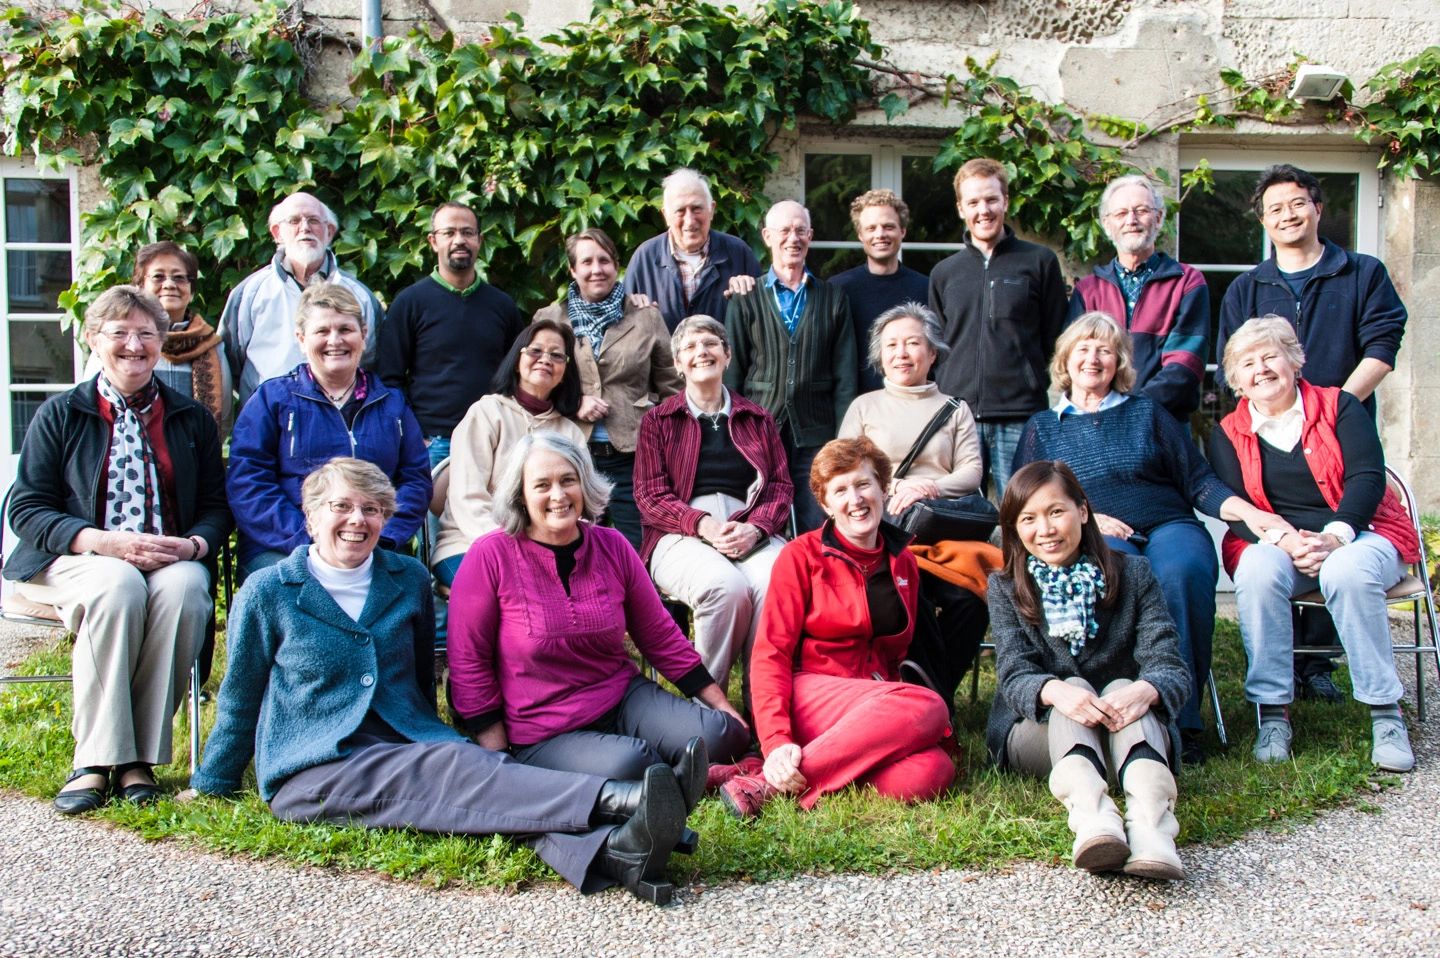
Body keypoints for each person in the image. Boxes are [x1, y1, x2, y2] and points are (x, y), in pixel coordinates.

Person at [190, 458, 696, 904]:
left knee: (472, 791)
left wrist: (433, 736)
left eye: (371, 509)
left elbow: (415, 677)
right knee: (456, 773)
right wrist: (212, 781)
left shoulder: (405, 578)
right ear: (311, 516)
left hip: (404, 744)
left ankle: (615, 852)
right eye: (341, 506)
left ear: (385, 519)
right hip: (315, 766)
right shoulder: (269, 591)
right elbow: (240, 698)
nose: (356, 520)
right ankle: (618, 800)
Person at [1012, 311, 1288, 763]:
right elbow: (1025, 501)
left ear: (1119, 360)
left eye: (1105, 349)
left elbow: (1197, 480)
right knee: (1112, 571)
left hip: (1167, 523)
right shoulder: (1044, 427)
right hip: (1092, 535)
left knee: (1183, 570)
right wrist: (1088, 520)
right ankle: (1118, 710)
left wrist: (1250, 514)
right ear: (1065, 359)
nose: (1093, 358)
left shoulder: (1148, 413)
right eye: (1083, 348)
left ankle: (1181, 719)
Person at [5, 286, 230, 814]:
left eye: (147, 333)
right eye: (120, 333)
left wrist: (193, 544)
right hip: (77, 558)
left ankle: (138, 761)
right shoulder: (60, 415)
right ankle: (96, 758)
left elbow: (217, 509)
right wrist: (102, 542)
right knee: (117, 582)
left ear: (162, 341)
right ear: (93, 338)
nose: (134, 345)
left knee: (186, 591)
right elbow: (27, 510)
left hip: (166, 560)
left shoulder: (191, 419)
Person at [447, 433, 749, 802]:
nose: (558, 495)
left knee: (724, 736)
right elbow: (468, 662)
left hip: (621, 697)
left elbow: (660, 636)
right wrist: (500, 759)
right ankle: (668, 774)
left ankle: (674, 773)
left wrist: (722, 708)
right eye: (542, 485)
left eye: (568, 480)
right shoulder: (489, 556)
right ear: (520, 495)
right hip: (545, 726)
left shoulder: (612, 545)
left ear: (584, 485)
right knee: (634, 764)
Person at [1217, 164, 1411, 701]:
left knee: (1336, 526)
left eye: (1297, 203)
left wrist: (1333, 408)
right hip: (1271, 432)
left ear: (1318, 208)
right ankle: (1283, 668)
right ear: (1263, 220)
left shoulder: (1360, 273)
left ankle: (1318, 663)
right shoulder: (1248, 287)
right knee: (1283, 531)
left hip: (1343, 430)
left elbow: (1382, 344)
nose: (1288, 215)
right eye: (1275, 208)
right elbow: (1234, 364)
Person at [1208, 316, 1418, 773]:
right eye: (1247, 363)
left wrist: (1334, 536)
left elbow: (1367, 479)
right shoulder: (1226, 431)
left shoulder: (1340, 406)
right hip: (1277, 543)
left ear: (1295, 361)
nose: (1261, 369)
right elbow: (1236, 507)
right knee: (1258, 571)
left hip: (1360, 533)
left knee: (1345, 570)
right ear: (1236, 379)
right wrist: (1285, 540)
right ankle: (1272, 713)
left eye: (1270, 356)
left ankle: (1385, 713)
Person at [721, 437, 956, 817]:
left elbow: (894, 655)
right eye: (841, 490)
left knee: (933, 770)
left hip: (871, 702)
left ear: (883, 488)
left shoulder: (903, 562)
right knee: (928, 705)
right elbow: (769, 655)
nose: (856, 499)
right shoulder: (800, 556)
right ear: (827, 505)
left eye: (864, 484)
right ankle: (768, 780)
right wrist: (777, 738)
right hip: (810, 694)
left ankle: (770, 779)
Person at [986, 460, 1190, 879]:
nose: (1045, 529)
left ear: (1082, 510)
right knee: (1071, 685)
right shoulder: (1005, 586)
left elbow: (1167, 662)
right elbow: (1013, 672)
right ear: (1014, 529)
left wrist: (1144, 690)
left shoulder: (1134, 574)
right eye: (1028, 519)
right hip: (1039, 729)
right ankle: (1093, 821)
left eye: (1055, 511)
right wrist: (1057, 692)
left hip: (1125, 727)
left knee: (1122, 684)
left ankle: (1152, 830)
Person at [837, 302, 989, 708]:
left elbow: (972, 472)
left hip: (943, 533)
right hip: (884, 534)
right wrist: (891, 485)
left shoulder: (956, 409)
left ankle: (929, 698)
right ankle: (929, 704)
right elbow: (844, 470)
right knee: (910, 594)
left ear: (932, 353)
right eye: (891, 345)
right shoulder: (864, 407)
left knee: (969, 602)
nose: (901, 353)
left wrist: (928, 487)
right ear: (880, 356)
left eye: (912, 343)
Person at [634, 315, 793, 697]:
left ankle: (764, 705)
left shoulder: (758, 418)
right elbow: (649, 494)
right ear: (677, 363)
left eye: (709, 344)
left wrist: (756, 528)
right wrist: (702, 524)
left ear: (727, 354)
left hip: (749, 527)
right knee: (725, 587)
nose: (700, 352)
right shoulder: (659, 420)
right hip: (679, 534)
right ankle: (711, 708)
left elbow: (780, 486)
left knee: (777, 580)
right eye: (689, 347)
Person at [226, 284, 430, 582]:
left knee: (405, 587)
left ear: (363, 334)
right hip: (286, 546)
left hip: (374, 542)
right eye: (322, 331)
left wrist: (380, 535)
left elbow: (415, 480)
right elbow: (248, 481)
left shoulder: (392, 404)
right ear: (301, 339)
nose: (335, 341)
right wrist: (313, 539)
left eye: (345, 329)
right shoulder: (273, 399)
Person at [532, 228, 683, 551]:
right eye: (586, 262)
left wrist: (665, 442)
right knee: (572, 545)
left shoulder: (646, 317)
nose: (596, 269)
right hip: (571, 454)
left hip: (633, 453)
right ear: (573, 270)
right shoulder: (549, 319)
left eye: (604, 260)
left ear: (617, 266)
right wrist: (572, 402)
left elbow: (672, 386)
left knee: (640, 548)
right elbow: (533, 385)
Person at [928, 158, 1066, 498]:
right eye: (973, 202)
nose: (983, 210)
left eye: (991, 199)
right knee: (958, 513)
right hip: (957, 416)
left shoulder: (1039, 262)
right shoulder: (945, 273)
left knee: (1023, 509)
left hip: (1020, 414)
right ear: (961, 208)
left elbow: (1056, 339)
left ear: (1005, 200)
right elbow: (936, 348)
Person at [724, 200, 857, 533]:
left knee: (818, 523)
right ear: (768, 236)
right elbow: (733, 371)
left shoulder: (833, 298)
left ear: (810, 236)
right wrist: (731, 433)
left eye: (800, 230)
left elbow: (845, 377)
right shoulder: (746, 296)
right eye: (784, 230)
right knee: (762, 522)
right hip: (759, 431)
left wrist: (841, 440)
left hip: (817, 433)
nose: (792, 238)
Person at [429, 318, 586, 590]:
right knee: (516, 593)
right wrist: (517, 550)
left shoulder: (570, 432)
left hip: (551, 549)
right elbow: (468, 498)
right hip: (470, 542)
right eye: (535, 351)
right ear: (517, 360)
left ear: (565, 370)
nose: (545, 359)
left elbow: (582, 503)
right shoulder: (486, 413)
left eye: (556, 355)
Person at [377, 201, 526, 468]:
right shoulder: (410, 303)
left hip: (493, 439)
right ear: (433, 241)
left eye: (468, 233)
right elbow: (389, 378)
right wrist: (411, 434)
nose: (460, 240)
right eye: (449, 233)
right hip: (433, 442)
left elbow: (519, 374)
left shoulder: (502, 305)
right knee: (431, 512)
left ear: (479, 241)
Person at [1067, 174, 1209, 421]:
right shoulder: (1088, 290)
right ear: (1106, 223)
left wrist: (1132, 410)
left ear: (1159, 218)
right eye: (1121, 213)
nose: (1131, 220)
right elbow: (1077, 362)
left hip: (1166, 422)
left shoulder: (1186, 282)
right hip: (1100, 422)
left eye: (1141, 210)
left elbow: (1185, 363)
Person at [221, 191, 383, 407]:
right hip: (268, 420)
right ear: (277, 233)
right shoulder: (249, 293)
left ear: (329, 232)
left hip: (340, 417)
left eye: (314, 220)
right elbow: (229, 361)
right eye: (294, 221)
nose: (305, 228)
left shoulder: (360, 295)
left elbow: (371, 360)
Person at [83, 242, 233, 433]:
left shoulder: (211, 346)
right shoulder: (115, 343)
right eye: (158, 277)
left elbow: (225, 417)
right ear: (139, 286)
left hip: (191, 455)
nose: (169, 285)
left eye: (179, 278)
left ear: (192, 290)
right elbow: (89, 406)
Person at [624, 167, 762, 331]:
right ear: (666, 215)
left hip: (724, 357)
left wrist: (747, 294)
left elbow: (760, 321)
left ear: (712, 210)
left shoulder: (738, 253)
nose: (689, 221)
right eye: (680, 211)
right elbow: (626, 325)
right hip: (665, 357)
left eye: (697, 208)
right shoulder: (645, 258)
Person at [828, 190, 930, 393]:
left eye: (888, 227)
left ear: (902, 231)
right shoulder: (838, 289)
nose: (880, 234)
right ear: (860, 234)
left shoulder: (925, 287)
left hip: (913, 405)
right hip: (855, 408)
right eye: (871, 228)